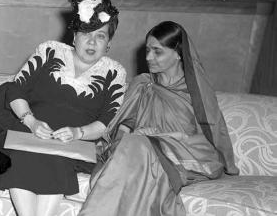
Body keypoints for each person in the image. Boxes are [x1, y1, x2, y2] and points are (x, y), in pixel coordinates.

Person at [0, 0, 127, 215]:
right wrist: (31, 122)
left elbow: (106, 122)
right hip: (29, 129)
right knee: (22, 154)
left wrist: (77, 132)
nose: (91, 42)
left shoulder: (115, 73)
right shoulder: (49, 51)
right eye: (85, 33)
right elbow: (15, 90)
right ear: (74, 36)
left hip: (73, 142)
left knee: (57, 156)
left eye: (100, 35)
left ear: (109, 43)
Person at [77, 21, 240, 216]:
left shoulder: (195, 92)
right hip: (137, 152)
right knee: (133, 147)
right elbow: (124, 124)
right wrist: (123, 137)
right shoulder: (143, 84)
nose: (148, 57)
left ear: (179, 53)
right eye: (147, 50)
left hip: (184, 154)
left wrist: (153, 136)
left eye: (157, 51)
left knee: (138, 145)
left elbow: (209, 132)